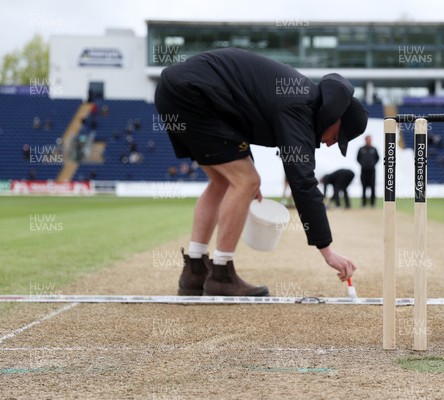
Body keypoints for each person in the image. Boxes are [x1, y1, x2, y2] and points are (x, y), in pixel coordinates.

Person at [154, 48, 368, 297]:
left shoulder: (302, 100)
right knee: (245, 180)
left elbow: (239, 114)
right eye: (339, 136)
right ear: (335, 116)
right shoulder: (300, 107)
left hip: (179, 91)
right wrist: (326, 250)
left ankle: (194, 272)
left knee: (223, 181)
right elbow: (303, 183)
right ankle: (221, 273)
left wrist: (248, 169)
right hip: (192, 94)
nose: (332, 143)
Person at [356, 135, 379, 207]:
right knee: (364, 187)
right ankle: (364, 203)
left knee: (372, 187)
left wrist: (372, 164)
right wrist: (363, 164)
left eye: (370, 140)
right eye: (368, 140)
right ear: (365, 140)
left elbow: (377, 158)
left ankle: (372, 203)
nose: (369, 141)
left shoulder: (374, 149)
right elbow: (357, 158)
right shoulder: (361, 149)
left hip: (372, 171)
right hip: (364, 171)